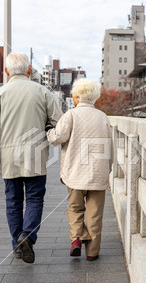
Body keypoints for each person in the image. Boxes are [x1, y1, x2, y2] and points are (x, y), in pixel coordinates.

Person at [0, 52, 63, 263]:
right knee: (35, 198)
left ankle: (18, 246)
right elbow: (59, 122)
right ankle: (27, 236)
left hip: (9, 156)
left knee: (13, 201)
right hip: (35, 154)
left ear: (7, 71)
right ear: (29, 70)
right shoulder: (42, 92)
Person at [47, 78, 112, 261]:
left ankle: (76, 239)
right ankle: (92, 252)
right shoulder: (103, 117)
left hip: (74, 173)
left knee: (75, 208)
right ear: (94, 98)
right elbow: (110, 146)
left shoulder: (71, 115)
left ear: (76, 97)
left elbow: (57, 138)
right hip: (98, 173)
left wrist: (49, 131)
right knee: (95, 214)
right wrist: (108, 168)